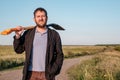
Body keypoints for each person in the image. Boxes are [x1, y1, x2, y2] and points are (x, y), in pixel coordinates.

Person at [13, 7, 64, 80]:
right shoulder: (28, 34)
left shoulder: (54, 35)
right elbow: (18, 50)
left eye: (43, 16)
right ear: (34, 19)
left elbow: (60, 54)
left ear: (47, 18)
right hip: (30, 74)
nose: (41, 18)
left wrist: (54, 70)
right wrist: (17, 36)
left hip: (47, 74)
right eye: (38, 16)